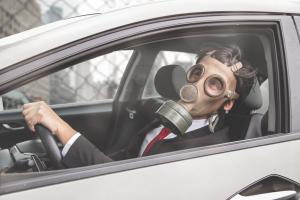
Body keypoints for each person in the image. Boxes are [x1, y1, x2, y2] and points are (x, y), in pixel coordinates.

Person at [22, 44, 256, 168]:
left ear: (228, 102)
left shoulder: (209, 152)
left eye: (214, 85)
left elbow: (118, 180)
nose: (197, 86)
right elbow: (122, 161)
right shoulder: (161, 119)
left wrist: (61, 128)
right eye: (197, 73)